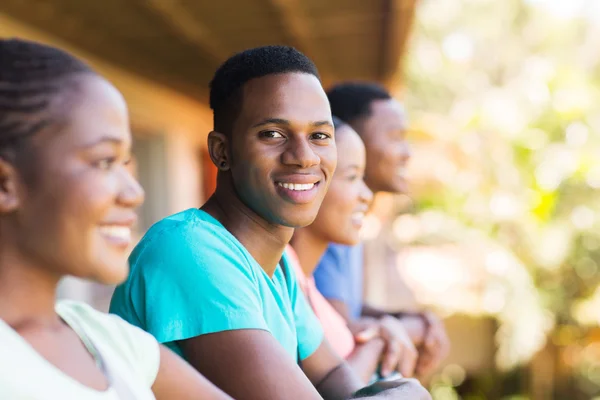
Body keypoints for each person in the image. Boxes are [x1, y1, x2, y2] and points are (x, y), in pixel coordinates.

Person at [110, 45, 431, 400]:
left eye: (319, 136)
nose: (304, 156)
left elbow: (332, 376)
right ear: (222, 151)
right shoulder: (189, 250)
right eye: (273, 134)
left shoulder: (278, 272)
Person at [0, 39, 234, 400]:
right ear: (5, 184)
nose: (134, 192)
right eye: (105, 161)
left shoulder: (108, 338)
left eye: (127, 162)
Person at [313, 83, 450, 378]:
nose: (408, 153)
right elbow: (340, 336)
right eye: (395, 137)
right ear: (349, 139)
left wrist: (404, 319)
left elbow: (345, 309)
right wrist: (407, 329)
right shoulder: (321, 231)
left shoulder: (351, 224)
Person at [288, 116, 418, 383]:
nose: (367, 196)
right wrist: (375, 344)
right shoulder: (282, 276)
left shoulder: (306, 286)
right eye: (352, 177)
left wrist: (382, 328)